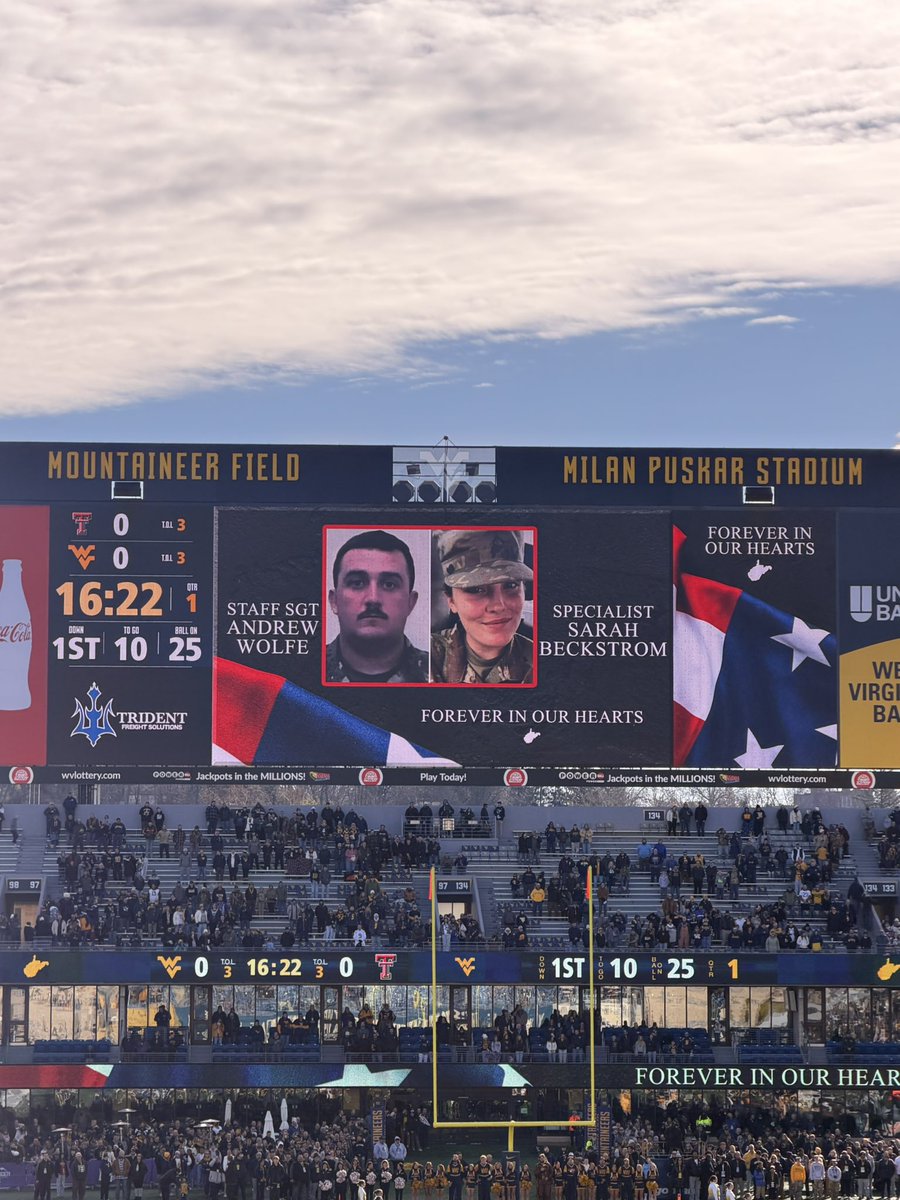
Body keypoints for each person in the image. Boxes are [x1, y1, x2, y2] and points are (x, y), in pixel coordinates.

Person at [430, 529, 534, 683]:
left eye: (511, 585)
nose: (499, 606)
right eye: (476, 589)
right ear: (451, 601)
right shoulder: (426, 660)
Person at [326, 530, 429, 683]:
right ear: (334, 601)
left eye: (389, 584)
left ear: (410, 602)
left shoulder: (437, 672)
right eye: (357, 583)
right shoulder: (305, 670)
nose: (373, 598)